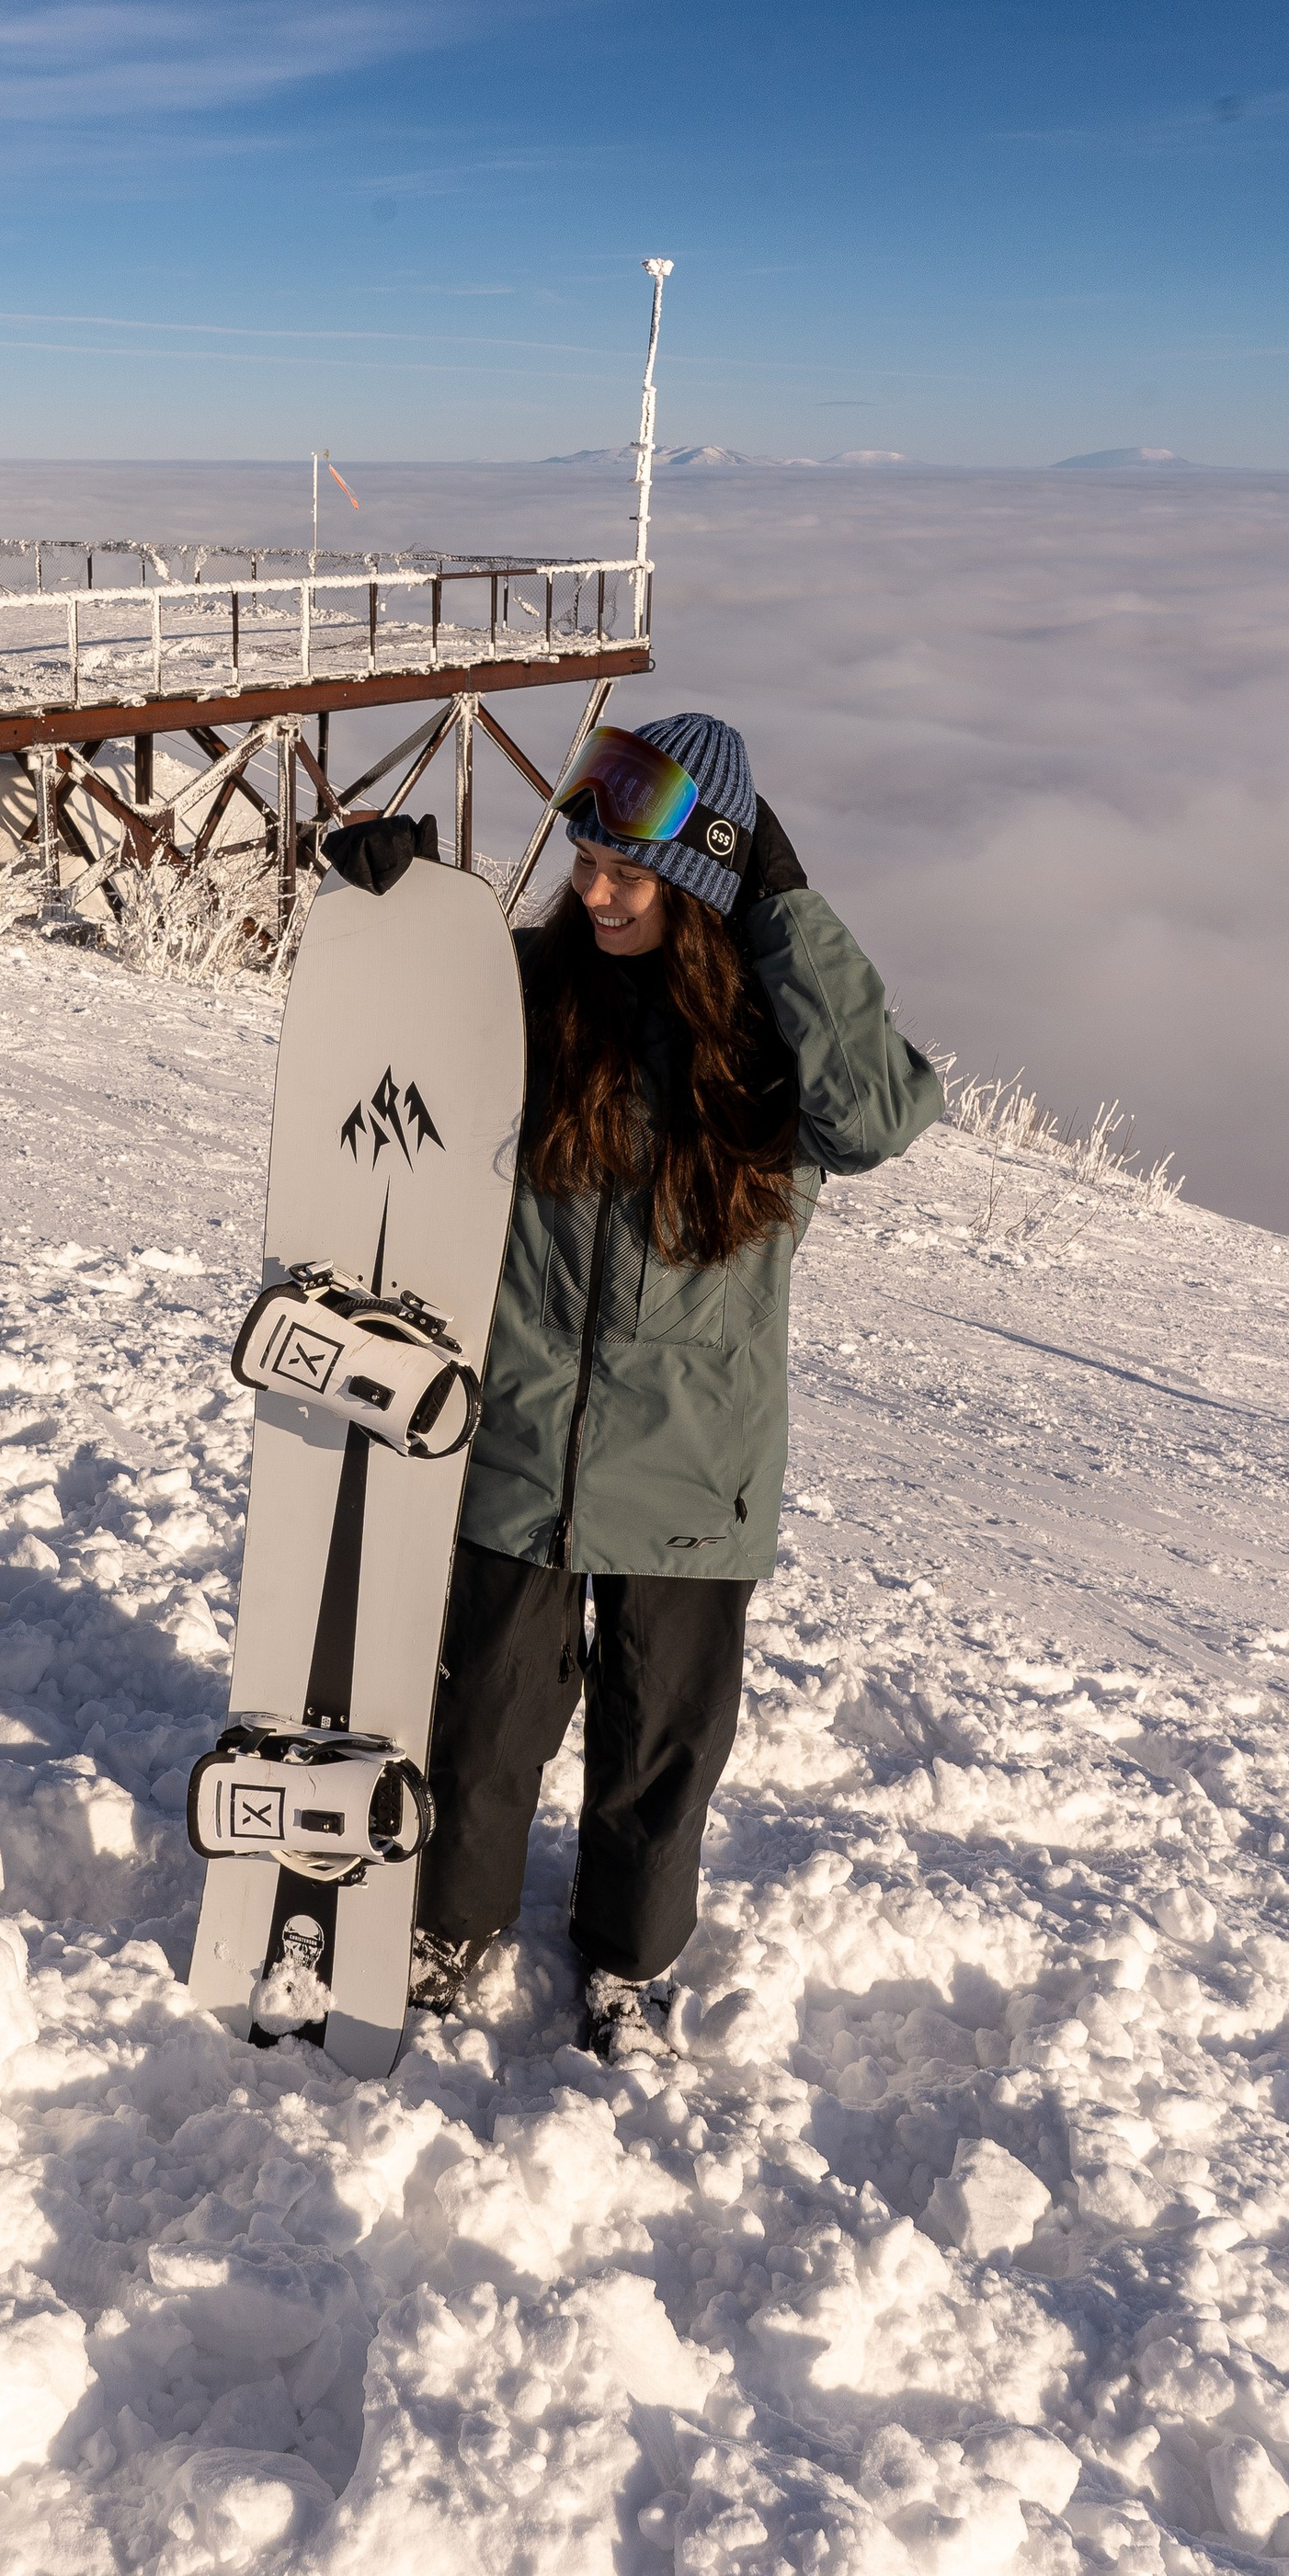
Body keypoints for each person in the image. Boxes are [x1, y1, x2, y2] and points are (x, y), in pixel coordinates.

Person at [329, 712, 941, 2061]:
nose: (594, 890)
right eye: (586, 861)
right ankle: (452, 1921)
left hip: (691, 1468)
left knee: (660, 1751)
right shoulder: (538, 995)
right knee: (483, 1722)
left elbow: (882, 1118)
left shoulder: (768, 1055)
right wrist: (388, 905)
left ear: (707, 888)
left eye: (630, 873)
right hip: (524, 1438)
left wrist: (785, 909)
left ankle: (626, 1959)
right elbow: (398, 1050)